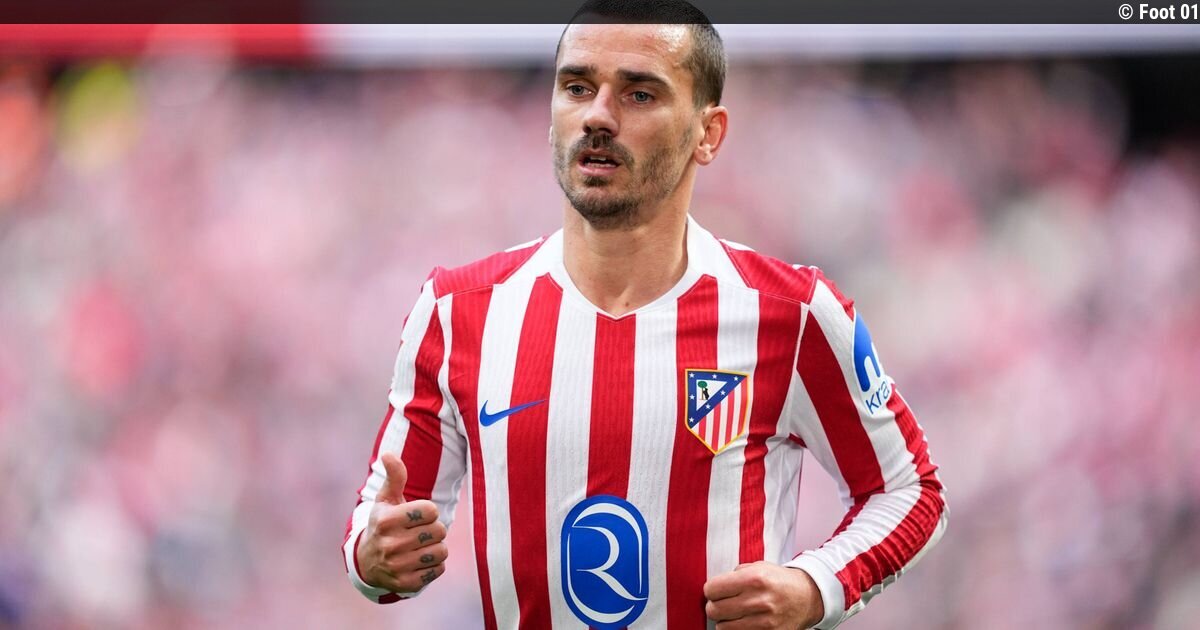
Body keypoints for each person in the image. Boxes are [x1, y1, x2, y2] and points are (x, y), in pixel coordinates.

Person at [342, 1, 947, 628]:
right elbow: (380, 526)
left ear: (708, 133)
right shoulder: (457, 311)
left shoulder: (791, 313)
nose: (598, 116)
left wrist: (816, 587)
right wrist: (373, 556)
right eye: (578, 88)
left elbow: (910, 490)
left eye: (638, 94)